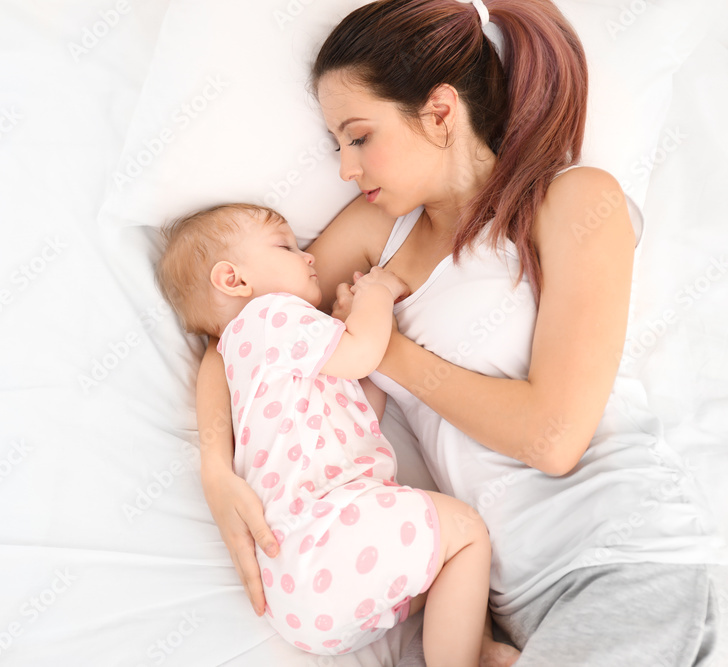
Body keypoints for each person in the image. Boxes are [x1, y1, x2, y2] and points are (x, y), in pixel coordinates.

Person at [194, 0, 723, 665]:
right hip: (510, 603)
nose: (344, 169)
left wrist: (390, 351)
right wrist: (216, 468)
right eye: (335, 145)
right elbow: (240, 335)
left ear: (441, 113)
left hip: (620, 557)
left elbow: (552, 437)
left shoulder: (575, 200)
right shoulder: (375, 236)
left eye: (358, 137)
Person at [156, 202, 495, 663]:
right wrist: (376, 294)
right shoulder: (269, 316)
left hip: (300, 600)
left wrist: (346, 324)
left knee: (441, 571)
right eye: (286, 246)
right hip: (329, 534)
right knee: (467, 534)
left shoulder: (245, 361)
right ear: (233, 280)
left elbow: (359, 413)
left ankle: (473, 649)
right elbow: (361, 356)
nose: (308, 256)